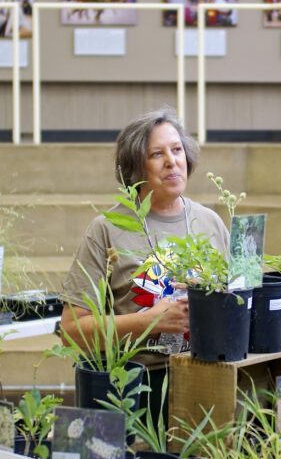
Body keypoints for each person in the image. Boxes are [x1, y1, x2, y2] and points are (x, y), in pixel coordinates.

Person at [61, 108, 229, 361]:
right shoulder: (106, 230)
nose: (171, 161)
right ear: (136, 168)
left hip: (210, 375)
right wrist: (148, 321)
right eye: (157, 154)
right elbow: (71, 332)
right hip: (139, 383)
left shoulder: (210, 222)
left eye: (177, 150)